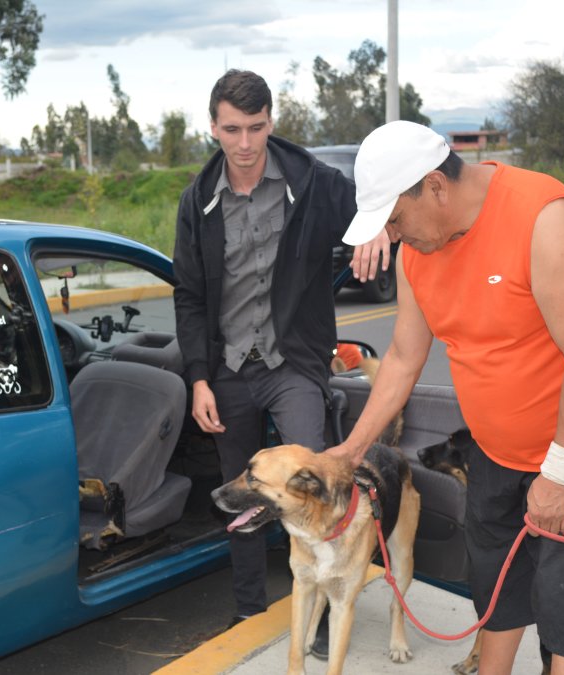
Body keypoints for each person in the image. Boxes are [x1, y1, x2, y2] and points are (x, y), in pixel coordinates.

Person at [326, 120, 564, 675]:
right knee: (495, 584)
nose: (396, 235)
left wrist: (560, 474)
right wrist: (351, 451)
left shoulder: (542, 220)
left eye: (396, 219)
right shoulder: (417, 253)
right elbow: (403, 357)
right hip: (495, 447)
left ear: (434, 185)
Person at [172, 70, 389, 641]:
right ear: (213, 126)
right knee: (241, 497)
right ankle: (248, 607)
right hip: (226, 372)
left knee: (314, 483)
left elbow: (377, 206)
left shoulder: (315, 183)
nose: (245, 144)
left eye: (257, 127)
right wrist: (198, 379)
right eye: (233, 129)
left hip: (293, 363)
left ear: (272, 120)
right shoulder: (197, 202)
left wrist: (374, 228)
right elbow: (189, 297)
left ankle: (319, 614)